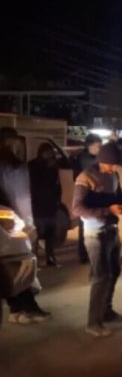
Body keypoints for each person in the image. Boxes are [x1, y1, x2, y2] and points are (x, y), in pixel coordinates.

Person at [72, 142, 122, 338]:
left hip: (112, 230)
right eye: (110, 165)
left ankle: (106, 311)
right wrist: (107, 210)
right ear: (101, 160)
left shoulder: (113, 176)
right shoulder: (85, 177)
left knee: (115, 271)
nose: (113, 168)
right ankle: (93, 322)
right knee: (101, 277)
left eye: (115, 165)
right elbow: (77, 209)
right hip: (95, 234)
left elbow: (117, 198)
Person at [0, 128, 51, 324]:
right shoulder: (10, 167)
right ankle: (27, 308)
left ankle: (18, 310)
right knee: (18, 266)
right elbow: (16, 197)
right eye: (13, 141)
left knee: (14, 267)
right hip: (12, 223)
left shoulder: (16, 165)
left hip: (16, 221)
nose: (17, 145)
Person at [28, 143, 62, 268]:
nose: (49, 155)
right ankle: (34, 260)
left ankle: (50, 258)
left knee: (50, 234)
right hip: (37, 205)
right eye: (47, 152)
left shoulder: (53, 165)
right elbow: (33, 184)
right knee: (35, 234)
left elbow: (57, 185)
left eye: (51, 152)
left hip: (50, 205)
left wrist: (57, 200)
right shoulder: (33, 165)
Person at [74, 134, 103, 264]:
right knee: (85, 228)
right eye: (98, 146)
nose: (100, 148)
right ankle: (84, 254)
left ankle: (91, 254)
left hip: (96, 196)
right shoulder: (84, 159)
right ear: (89, 146)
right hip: (86, 197)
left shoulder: (95, 158)